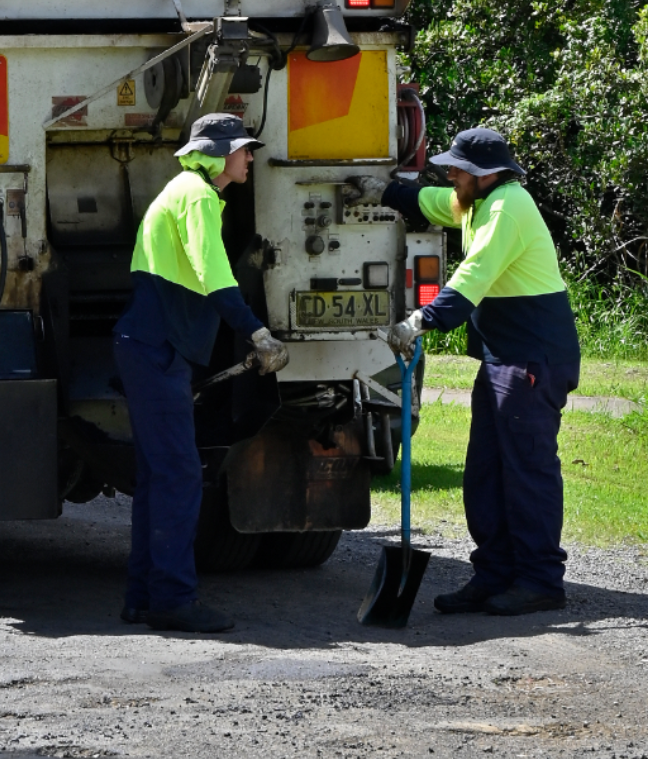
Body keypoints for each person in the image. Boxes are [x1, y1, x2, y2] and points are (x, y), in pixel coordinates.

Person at [347, 127, 580, 616]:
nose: (449, 174)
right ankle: (494, 573)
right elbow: (434, 202)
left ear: (486, 174)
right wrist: (385, 191)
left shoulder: (507, 208)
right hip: (504, 357)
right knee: (486, 473)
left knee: (526, 473)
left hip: (531, 360)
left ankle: (539, 580)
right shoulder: (475, 201)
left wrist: (422, 319)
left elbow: (474, 272)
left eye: (457, 168)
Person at [113, 112, 289, 633]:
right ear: (217, 154)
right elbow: (214, 271)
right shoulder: (196, 196)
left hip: (147, 348)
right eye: (243, 149)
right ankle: (171, 599)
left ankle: (144, 597)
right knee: (180, 475)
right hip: (155, 350)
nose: (250, 158)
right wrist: (256, 332)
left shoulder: (186, 190)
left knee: (158, 477)